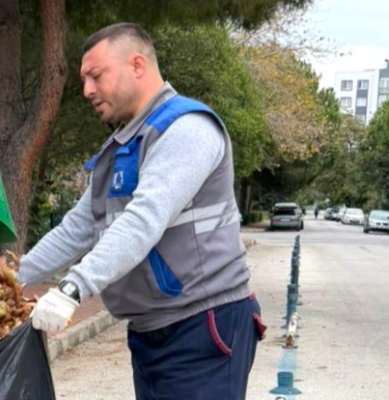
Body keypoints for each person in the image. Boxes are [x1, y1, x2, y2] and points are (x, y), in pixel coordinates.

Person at [21, 23, 266, 400]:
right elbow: (75, 230)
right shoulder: (122, 147)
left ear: (137, 65)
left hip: (202, 327)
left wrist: (73, 287)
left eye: (95, 76)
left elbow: (144, 218)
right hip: (151, 331)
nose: (86, 90)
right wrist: (8, 279)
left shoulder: (187, 129)